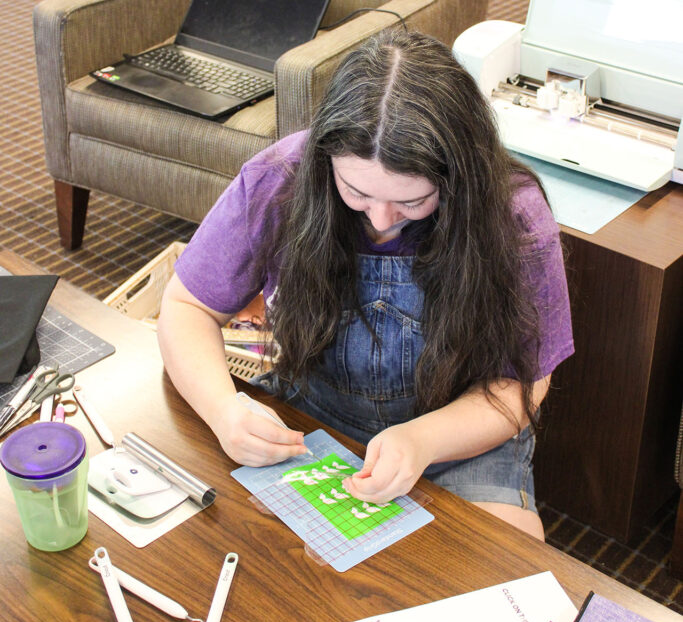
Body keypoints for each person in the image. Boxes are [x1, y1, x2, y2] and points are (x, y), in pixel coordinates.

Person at [158, 29, 574, 541]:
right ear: (325, 158)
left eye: (412, 202)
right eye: (355, 190)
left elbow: (520, 386)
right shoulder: (280, 178)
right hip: (312, 417)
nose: (380, 218)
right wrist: (224, 410)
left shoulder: (513, 216)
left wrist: (424, 439)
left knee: (503, 570)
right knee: (245, 551)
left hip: (459, 439)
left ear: (457, 176)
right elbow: (185, 305)